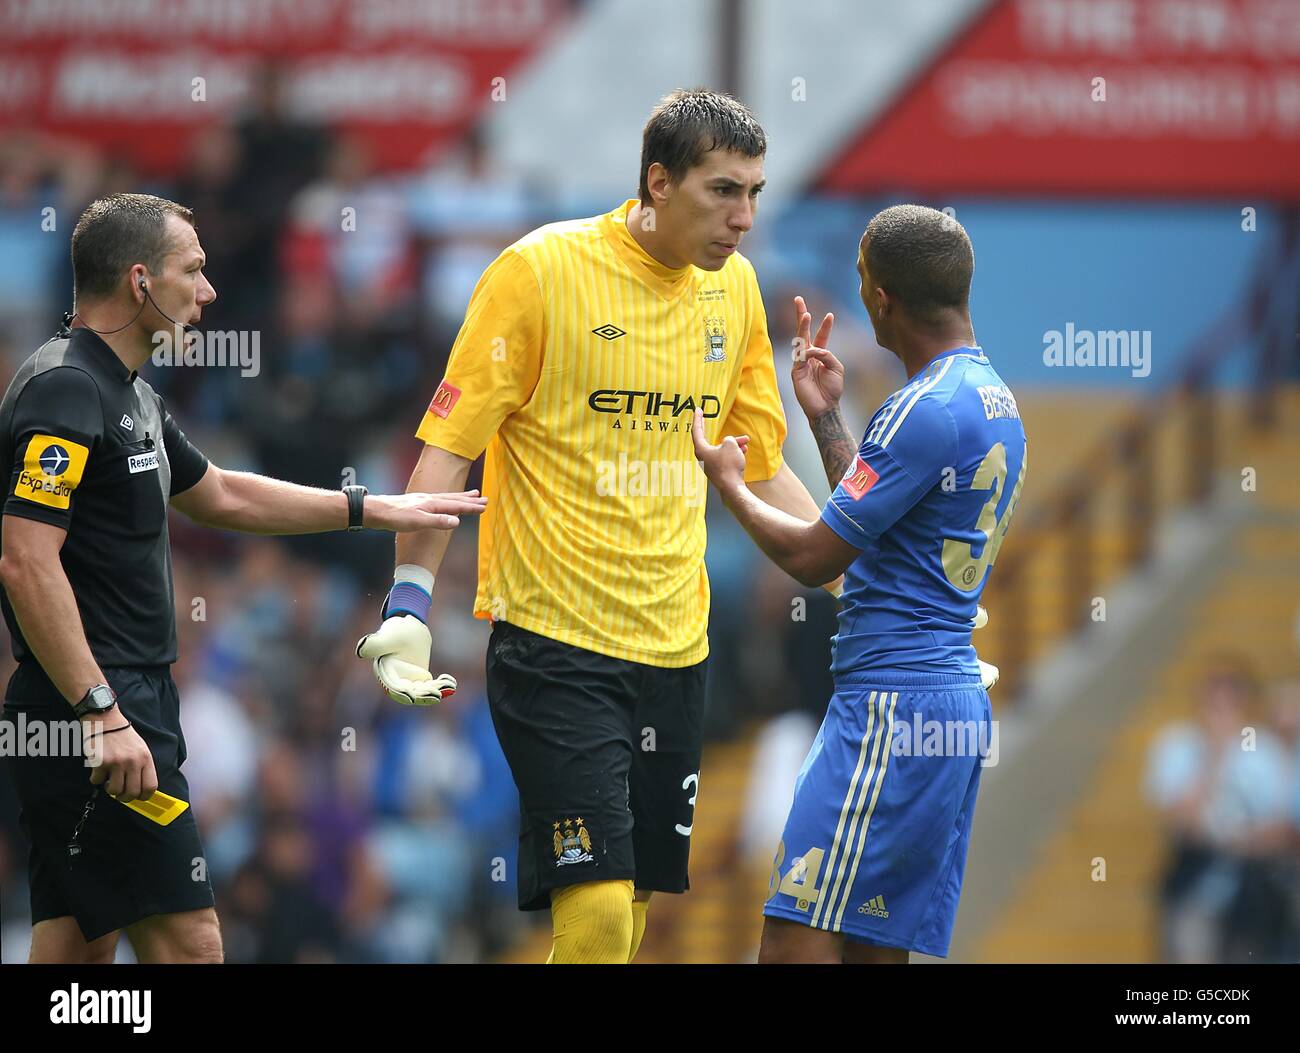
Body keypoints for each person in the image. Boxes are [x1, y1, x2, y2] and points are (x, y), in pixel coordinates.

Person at [356, 89, 848, 964]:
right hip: (555, 645)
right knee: (594, 912)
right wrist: (409, 600)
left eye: (755, 194)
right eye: (722, 191)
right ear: (658, 182)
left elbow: (763, 464)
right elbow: (448, 449)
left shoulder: (733, 290)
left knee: (633, 910)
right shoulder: (538, 273)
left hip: (676, 650)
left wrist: (861, 577)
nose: (743, 218)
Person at [0, 192, 485, 964]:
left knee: (76, 950)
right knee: (193, 943)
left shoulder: (132, 393)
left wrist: (374, 506)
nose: (209, 288)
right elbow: (26, 558)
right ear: (138, 281)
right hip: (97, 707)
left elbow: (222, 493)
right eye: (192, 269)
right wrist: (100, 709)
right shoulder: (65, 386)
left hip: (121, 705)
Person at [693, 204, 1026, 963]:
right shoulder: (989, 399)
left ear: (882, 299)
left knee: (790, 938)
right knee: (873, 945)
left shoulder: (919, 409)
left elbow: (817, 558)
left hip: (890, 703)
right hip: (945, 705)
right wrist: (827, 417)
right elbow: (877, 520)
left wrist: (731, 485)